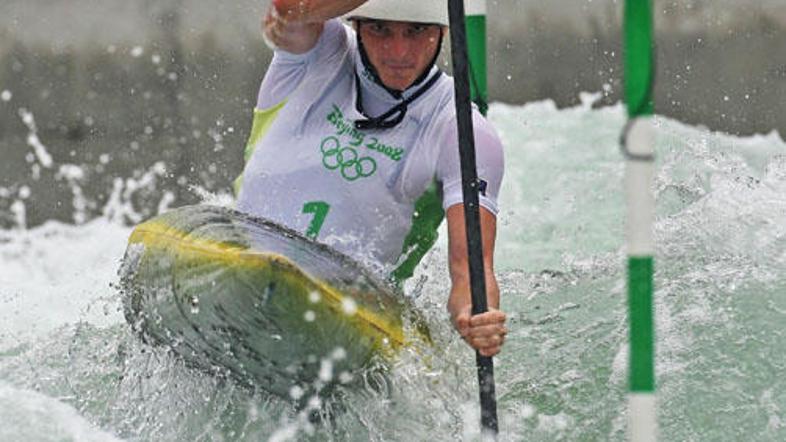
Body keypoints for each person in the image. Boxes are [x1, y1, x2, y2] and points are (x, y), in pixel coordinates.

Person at [235, 0, 507, 357]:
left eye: (416, 31)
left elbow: (470, 270)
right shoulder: (319, 51)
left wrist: (475, 315)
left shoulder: (462, 132)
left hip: (350, 319)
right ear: (357, 25)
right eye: (380, 29)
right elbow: (287, 9)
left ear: (442, 31)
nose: (399, 52)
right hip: (241, 260)